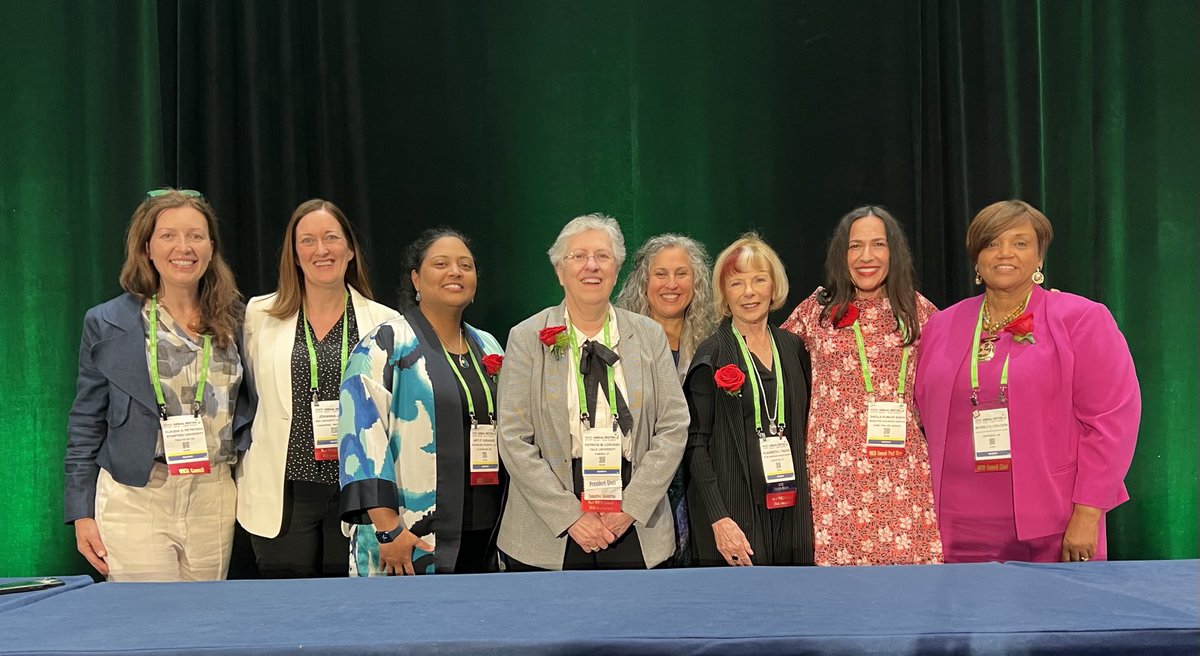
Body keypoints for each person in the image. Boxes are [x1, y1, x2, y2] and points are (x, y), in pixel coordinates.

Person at [914, 200, 1140, 563]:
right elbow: (922, 411)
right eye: (992, 243)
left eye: (1020, 243)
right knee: (964, 619)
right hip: (954, 524)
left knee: (1055, 619)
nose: (1004, 253)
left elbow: (1112, 422)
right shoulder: (942, 325)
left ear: (1039, 258)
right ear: (976, 259)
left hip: (1055, 519)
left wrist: (1089, 511)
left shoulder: (1080, 319)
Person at [64, 188, 246, 581]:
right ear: (147, 247)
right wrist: (80, 509)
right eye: (168, 235)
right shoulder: (108, 322)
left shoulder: (237, 321)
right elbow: (85, 421)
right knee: (145, 628)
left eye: (196, 235)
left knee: (204, 628)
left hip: (213, 493)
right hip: (138, 495)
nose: (184, 247)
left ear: (211, 248)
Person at [496, 214, 688, 571]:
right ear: (559, 271)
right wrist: (570, 516)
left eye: (602, 256)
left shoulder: (648, 335)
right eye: (578, 256)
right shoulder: (526, 337)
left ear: (615, 269)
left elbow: (674, 426)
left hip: (635, 517)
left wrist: (632, 506)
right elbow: (512, 438)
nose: (591, 266)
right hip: (547, 524)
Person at [236, 199, 399, 577]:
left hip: (357, 492)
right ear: (294, 254)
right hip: (284, 490)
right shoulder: (258, 315)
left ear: (350, 249)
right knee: (289, 611)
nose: (321, 250)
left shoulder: (386, 321)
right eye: (307, 241)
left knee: (350, 613)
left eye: (331, 238)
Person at [781, 207, 942, 566]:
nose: (866, 257)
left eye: (878, 244)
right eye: (855, 246)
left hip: (903, 478)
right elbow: (771, 360)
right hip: (832, 479)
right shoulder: (818, 310)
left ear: (894, 252)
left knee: (908, 589)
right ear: (842, 254)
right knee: (838, 594)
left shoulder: (922, 313)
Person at [338, 228, 504, 575]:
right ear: (416, 279)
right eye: (440, 264)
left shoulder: (489, 346)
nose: (455, 272)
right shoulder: (385, 343)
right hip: (408, 536)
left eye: (465, 265)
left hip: (485, 531)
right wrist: (388, 528)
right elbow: (360, 441)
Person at [685, 233, 814, 567]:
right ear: (724, 294)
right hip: (733, 515)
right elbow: (695, 445)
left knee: (794, 608)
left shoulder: (794, 347)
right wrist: (718, 519)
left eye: (759, 280)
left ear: (774, 287)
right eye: (736, 282)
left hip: (791, 509)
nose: (749, 292)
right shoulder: (711, 354)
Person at [615, 233, 717, 566]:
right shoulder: (616, 340)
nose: (671, 284)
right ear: (644, 282)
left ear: (696, 282)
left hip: (700, 486)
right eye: (661, 274)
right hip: (638, 491)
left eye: (681, 273)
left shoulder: (715, 343)